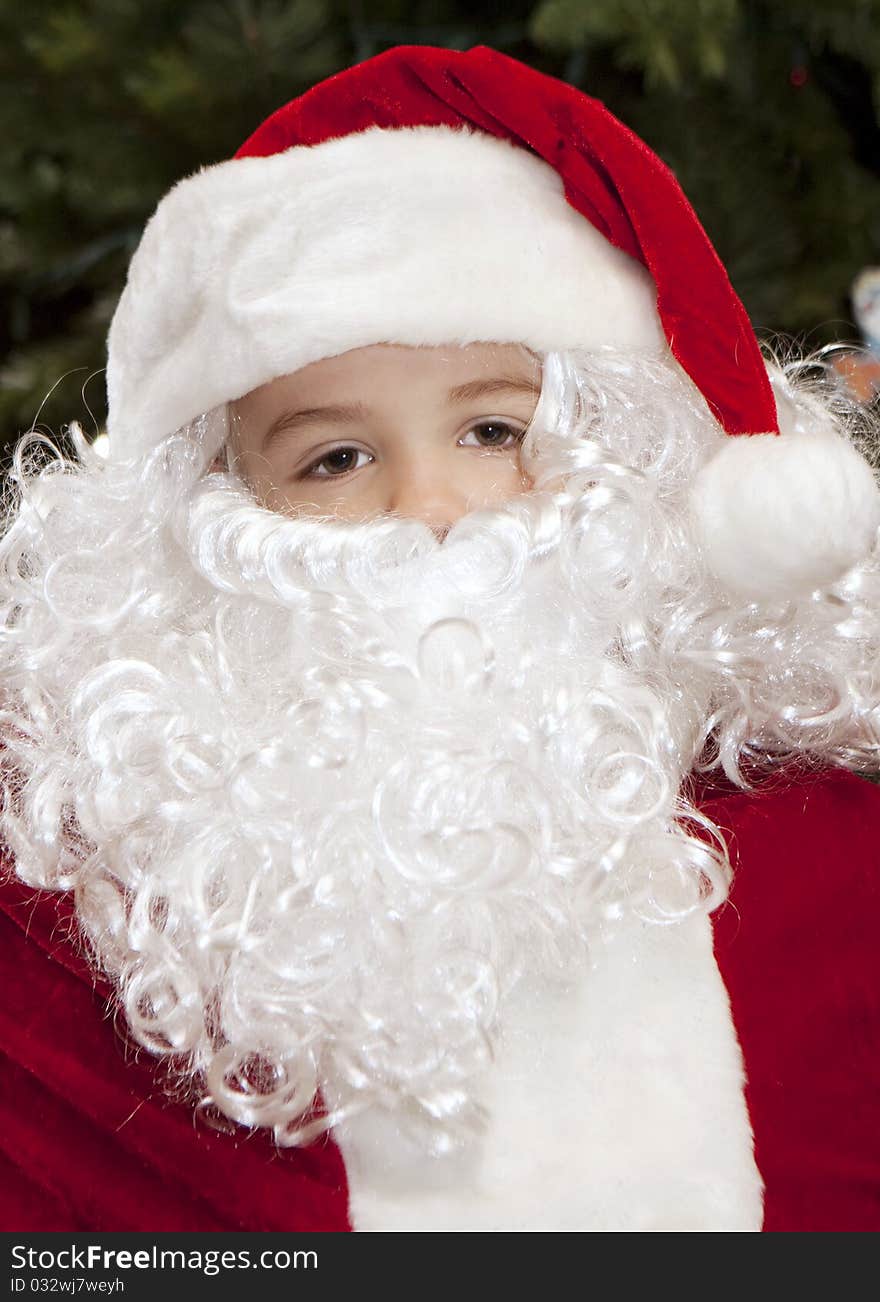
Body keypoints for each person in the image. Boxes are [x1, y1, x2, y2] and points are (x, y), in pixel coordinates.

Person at [1, 44, 879, 1234]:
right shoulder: (79, 933)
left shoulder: (831, 848)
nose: (429, 507)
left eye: (491, 430)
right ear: (207, 523)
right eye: (335, 457)